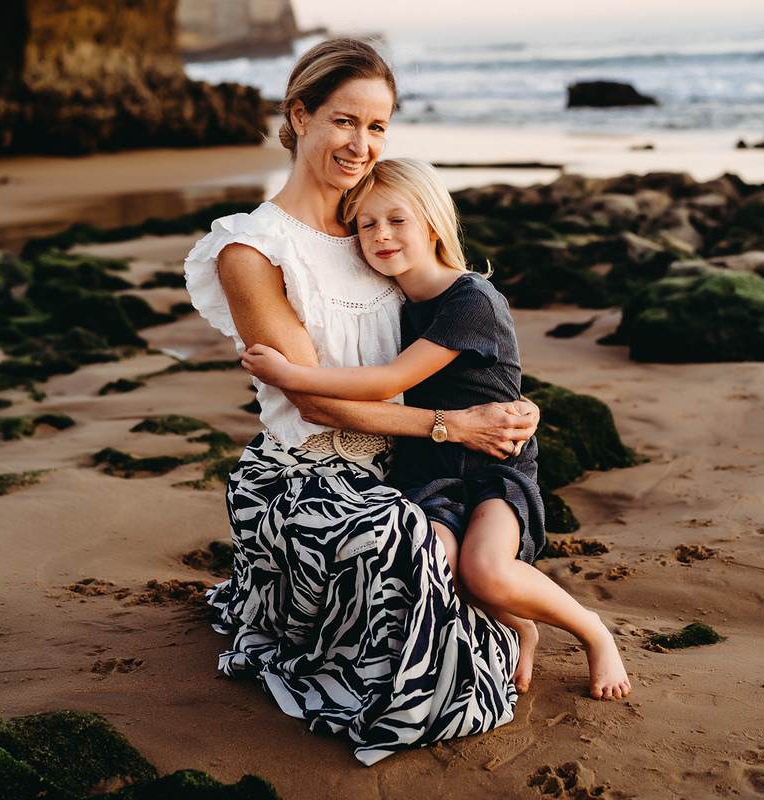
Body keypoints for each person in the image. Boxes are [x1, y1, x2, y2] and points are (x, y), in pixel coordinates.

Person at [182, 38, 540, 765]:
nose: (361, 144)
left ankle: (506, 618)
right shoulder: (252, 250)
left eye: (378, 127)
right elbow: (317, 406)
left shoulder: (377, 228)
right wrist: (457, 428)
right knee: (402, 545)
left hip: (413, 457)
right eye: (346, 121)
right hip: (309, 473)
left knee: (464, 533)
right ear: (301, 114)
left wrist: (508, 410)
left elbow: (461, 334)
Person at [241, 158, 632, 701]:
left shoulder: (470, 298)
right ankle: (520, 626)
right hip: (428, 465)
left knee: (486, 570)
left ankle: (592, 631)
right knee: (433, 561)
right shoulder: (397, 303)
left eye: (397, 220)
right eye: (365, 224)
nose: (380, 235)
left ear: (432, 221)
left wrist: (293, 376)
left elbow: (393, 379)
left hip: (494, 462)